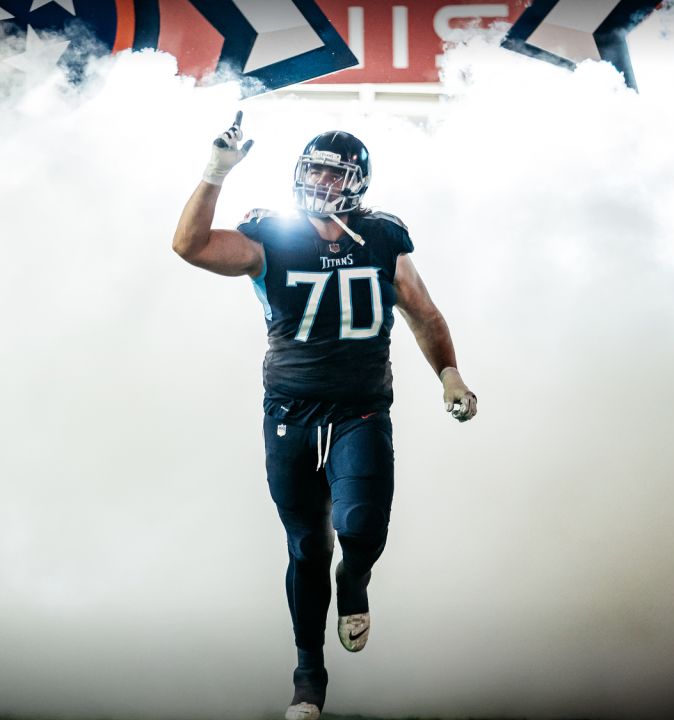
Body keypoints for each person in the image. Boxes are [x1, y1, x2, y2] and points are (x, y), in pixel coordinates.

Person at [172, 112, 478, 720]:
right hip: (291, 407)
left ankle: (355, 581)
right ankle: (308, 674)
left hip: (362, 406)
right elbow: (191, 246)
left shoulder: (385, 235)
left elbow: (423, 313)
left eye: (334, 173)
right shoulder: (272, 233)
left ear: (358, 181)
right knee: (307, 544)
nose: (321, 180)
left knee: (361, 530)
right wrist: (215, 173)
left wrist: (449, 374)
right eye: (312, 168)